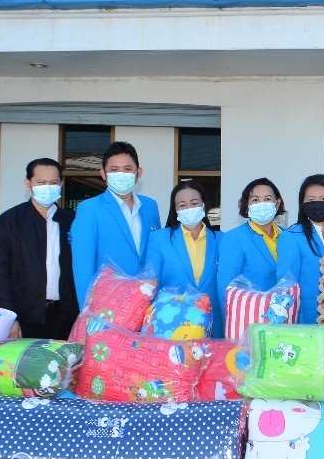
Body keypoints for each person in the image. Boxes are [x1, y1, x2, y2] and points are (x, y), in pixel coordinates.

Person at [0, 158, 79, 339]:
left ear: (61, 183)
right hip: (24, 318)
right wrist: (9, 317)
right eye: (41, 182)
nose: (48, 187)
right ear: (28, 184)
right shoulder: (10, 221)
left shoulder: (72, 221)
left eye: (53, 182)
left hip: (66, 317)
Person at [70, 141, 162, 309]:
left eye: (127, 169)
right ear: (103, 174)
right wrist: (87, 311)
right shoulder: (89, 209)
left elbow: (156, 254)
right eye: (114, 170)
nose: (121, 174)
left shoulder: (150, 206)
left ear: (138, 172)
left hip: (146, 304)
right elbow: (83, 265)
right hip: (107, 308)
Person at [144, 179, 222, 337]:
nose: (189, 208)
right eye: (182, 205)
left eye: (194, 203)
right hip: (171, 325)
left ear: (203, 205)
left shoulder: (222, 239)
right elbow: (150, 284)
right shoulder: (159, 239)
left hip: (213, 326)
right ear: (175, 209)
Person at [278, 174, 324, 324]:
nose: (318, 203)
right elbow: (286, 284)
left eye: (323, 199)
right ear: (303, 204)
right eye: (311, 200)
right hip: (308, 318)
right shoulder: (291, 237)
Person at [216, 177, 286, 306]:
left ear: (277, 203)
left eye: (267, 199)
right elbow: (226, 288)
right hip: (250, 314)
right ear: (247, 205)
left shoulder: (287, 236)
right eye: (255, 200)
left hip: (287, 313)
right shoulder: (234, 238)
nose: (261, 204)